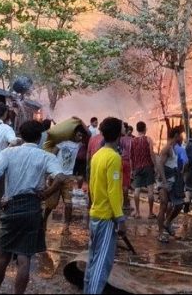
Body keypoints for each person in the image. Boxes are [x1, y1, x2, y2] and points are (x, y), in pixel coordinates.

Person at [0, 120, 65, 294]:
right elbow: (60, 178)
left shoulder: (8, 153)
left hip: (11, 206)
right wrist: (46, 193)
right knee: (24, 258)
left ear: (21, 136)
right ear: (39, 137)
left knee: (3, 256)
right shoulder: (46, 156)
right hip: (32, 208)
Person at [84, 117, 126, 295]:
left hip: (96, 213)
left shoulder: (97, 155)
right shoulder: (114, 157)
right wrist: (120, 218)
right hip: (106, 217)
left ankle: (88, 289)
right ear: (118, 134)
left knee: (93, 259)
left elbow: (92, 184)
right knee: (102, 263)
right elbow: (113, 190)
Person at [44, 125, 86, 234]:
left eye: (81, 136)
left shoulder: (78, 145)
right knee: (51, 204)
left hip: (68, 178)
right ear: (73, 134)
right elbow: (52, 156)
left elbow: (89, 135)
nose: (80, 137)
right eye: (79, 135)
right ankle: (43, 222)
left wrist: (80, 122)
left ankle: (66, 228)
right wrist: (50, 173)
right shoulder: (62, 143)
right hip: (56, 176)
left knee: (68, 204)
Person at [156, 129, 185, 243]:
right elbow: (160, 164)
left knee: (179, 205)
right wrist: (164, 182)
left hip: (174, 180)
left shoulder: (174, 148)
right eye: (181, 135)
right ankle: (160, 233)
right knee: (163, 205)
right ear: (176, 135)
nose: (182, 138)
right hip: (165, 181)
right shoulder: (167, 148)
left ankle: (167, 223)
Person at [129, 121, 156, 219]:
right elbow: (152, 153)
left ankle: (137, 212)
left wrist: (132, 170)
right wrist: (155, 165)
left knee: (137, 190)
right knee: (150, 190)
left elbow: (131, 156)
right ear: (145, 129)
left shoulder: (133, 141)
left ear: (137, 129)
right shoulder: (148, 139)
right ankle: (150, 213)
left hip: (137, 167)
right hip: (148, 166)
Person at [118, 123, 132, 212]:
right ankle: (125, 204)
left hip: (119, 161)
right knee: (126, 184)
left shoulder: (120, 139)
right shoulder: (132, 140)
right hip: (127, 162)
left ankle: (120, 202)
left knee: (119, 181)